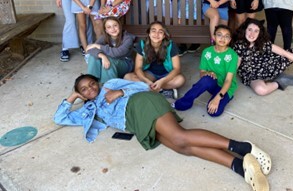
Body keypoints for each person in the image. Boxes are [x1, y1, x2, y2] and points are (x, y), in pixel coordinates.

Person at [54, 74, 271, 191]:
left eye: (92, 84)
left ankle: (243, 147)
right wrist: (72, 97)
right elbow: (59, 118)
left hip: (141, 104)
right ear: (81, 95)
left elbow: (145, 87)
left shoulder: (109, 84)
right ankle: (240, 167)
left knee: (179, 136)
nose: (91, 89)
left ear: (98, 82)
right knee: (181, 148)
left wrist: (120, 91)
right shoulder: (88, 110)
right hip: (136, 123)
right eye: (84, 89)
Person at [173, 25, 239, 116]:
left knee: (214, 112)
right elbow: (202, 73)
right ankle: (184, 102)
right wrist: (206, 73)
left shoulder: (232, 55)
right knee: (206, 79)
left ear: (230, 40)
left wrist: (217, 98)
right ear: (214, 37)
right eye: (219, 35)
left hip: (227, 87)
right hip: (213, 84)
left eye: (226, 36)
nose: (222, 38)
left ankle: (226, 96)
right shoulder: (206, 52)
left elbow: (228, 80)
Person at [124, 21, 185, 99]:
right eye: (153, 31)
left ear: (164, 36)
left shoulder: (171, 45)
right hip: (150, 74)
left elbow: (177, 69)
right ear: (149, 33)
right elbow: (138, 68)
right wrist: (146, 80)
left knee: (180, 80)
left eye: (160, 32)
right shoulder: (142, 44)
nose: (156, 34)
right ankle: (163, 91)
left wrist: (163, 81)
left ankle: (148, 89)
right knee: (128, 77)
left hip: (166, 74)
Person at [86, 17, 135, 83]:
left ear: (119, 26)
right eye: (109, 27)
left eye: (115, 25)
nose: (113, 29)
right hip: (111, 61)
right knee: (94, 56)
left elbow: (117, 53)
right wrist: (102, 56)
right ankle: (91, 82)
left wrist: (98, 46)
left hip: (125, 64)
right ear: (106, 30)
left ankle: (108, 86)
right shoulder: (104, 37)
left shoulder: (128, 38)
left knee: (109, 60)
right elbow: (90, 49)